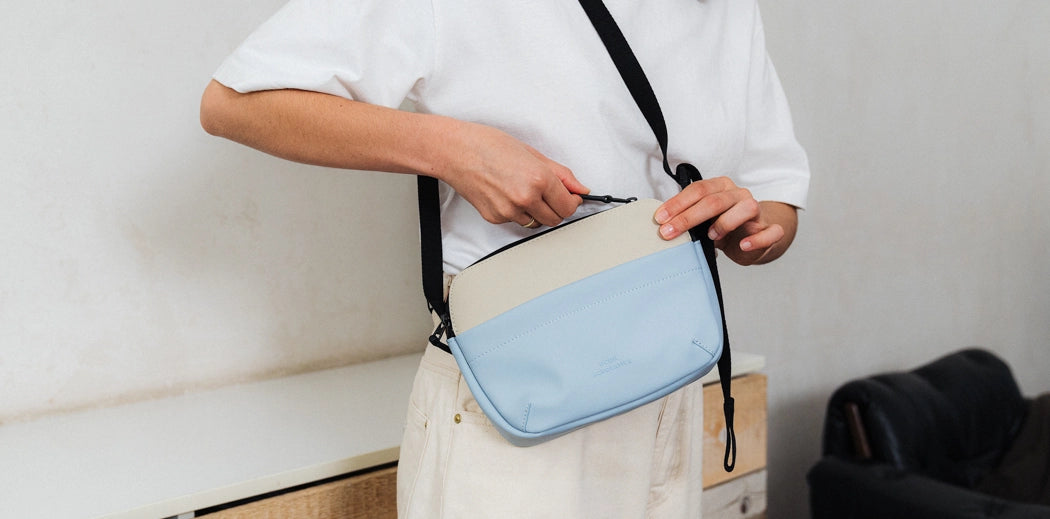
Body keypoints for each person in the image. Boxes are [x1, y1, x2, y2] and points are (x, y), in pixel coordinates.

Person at [200, 0, 810, 517]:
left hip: (668, 383)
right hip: (518, 403)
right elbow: (234, 102)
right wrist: (457, 149)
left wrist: (750, 225)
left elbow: (774, 188)